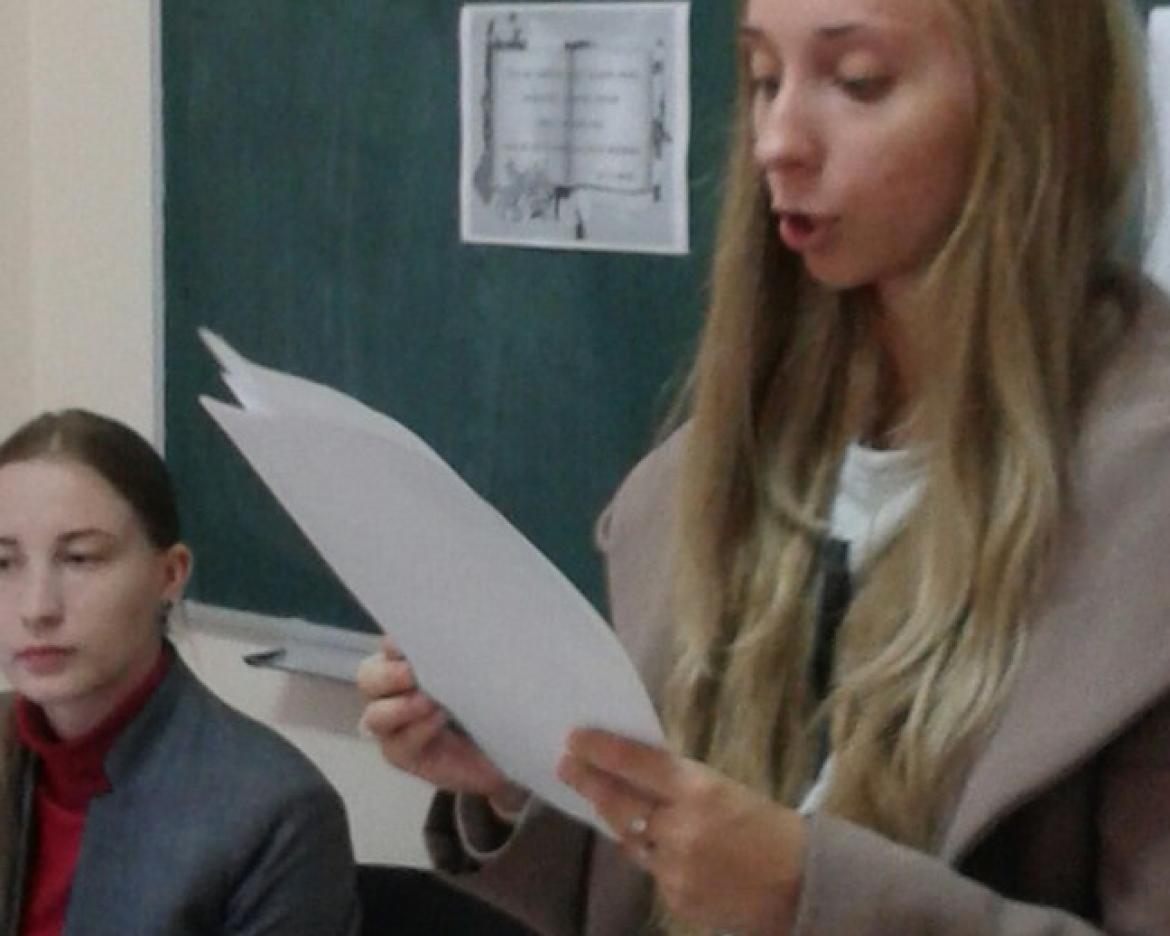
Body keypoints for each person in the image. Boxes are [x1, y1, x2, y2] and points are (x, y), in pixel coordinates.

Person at [358, 0, 1170, 932]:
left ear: (1032, 106)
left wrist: (811, 901)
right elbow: (651, 884)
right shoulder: (709, 473)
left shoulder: (1142, 501)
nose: (777, 142)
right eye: (762, 80)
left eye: (858, 83)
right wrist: (523, 776)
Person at [0, 409, 361, 935]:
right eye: (4, 563)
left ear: (169, 574)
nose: (36, 608)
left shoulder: (275, 811)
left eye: (80, 558)